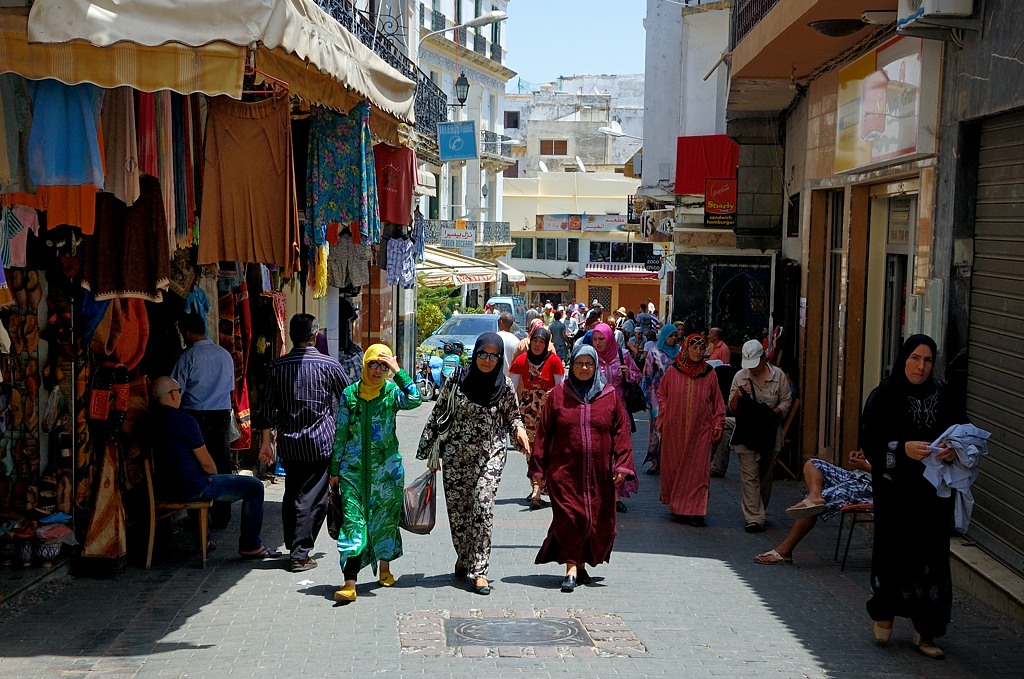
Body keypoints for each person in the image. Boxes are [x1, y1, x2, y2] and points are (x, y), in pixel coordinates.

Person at [859, 334, 963, 659]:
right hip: (895, 495)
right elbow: (871, 441)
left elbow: (963, 434)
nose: (920, 367)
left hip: (933, 495)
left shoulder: (944, 395)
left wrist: (951, 451)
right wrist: (901, 449)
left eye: (928, 360)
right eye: (915, 358)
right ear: (904, 357)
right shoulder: (884, 396)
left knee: (931, 558)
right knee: (893, 552)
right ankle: (885, 613)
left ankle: (926, 631)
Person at [416, 333, 530, 595]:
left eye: (494, 355)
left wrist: (520, 431)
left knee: (482, 505)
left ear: (500, 358)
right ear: (475, 353)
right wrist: (432, 452)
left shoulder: (504, 387)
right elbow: (439, 413)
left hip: (491, 454)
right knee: (459, 513)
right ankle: (464, 555)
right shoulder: (457, 380)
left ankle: (480, 571)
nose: (488, 360)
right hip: (457, 457)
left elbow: (513, 417)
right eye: (483, 353)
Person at [529, 344, 636, 592]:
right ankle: (571, 568)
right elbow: (543, 434)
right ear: (572, 366)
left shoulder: (609, 396)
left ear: (596, 365)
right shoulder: (557, 395)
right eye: (579, 363)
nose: (584, 368)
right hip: (564, 473)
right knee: (569, 518)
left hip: (599, 475)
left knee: (592, 519)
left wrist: (621, 463)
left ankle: (581, 564)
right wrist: (538, 471)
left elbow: (622, 432)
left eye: (589, 363)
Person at [256, 314, 350, 572]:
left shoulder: (277, 367)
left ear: (290, 335)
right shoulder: (329, 366)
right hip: (320, 442)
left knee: (294, 493)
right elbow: (349, 400)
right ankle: (299, 553)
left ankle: (295, 544)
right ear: (315, 335)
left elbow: (265, 410)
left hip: (289, 443)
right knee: (313, 498)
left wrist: (266, 443)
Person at [329, 345, 421, 603]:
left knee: (385, 522)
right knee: (353, 525)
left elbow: (415, 399)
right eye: (374, 364)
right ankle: (350, 583)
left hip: (387, 473)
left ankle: (385, 569)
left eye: (383, 366)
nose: (378, 371)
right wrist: (334, 470)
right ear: (365, 364)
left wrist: (398, 370)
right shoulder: (349, 395)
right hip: (352, 473)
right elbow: (340, 435)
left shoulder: (391, 393)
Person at [150, 376, 278, 560]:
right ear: (171, 395)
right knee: (254, 487)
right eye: (179, 391)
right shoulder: (184, 421)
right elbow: (207, 464)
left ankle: (204, 540)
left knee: (196, 479)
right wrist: (212, 474)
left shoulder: (148, 421)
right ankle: (251, 545)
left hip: (162, 488)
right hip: (191, 488)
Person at [171, 312, 236, 528]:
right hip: (220, 415)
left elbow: (175, 392)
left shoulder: (187, 357)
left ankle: (198, 517)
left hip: (195, 416)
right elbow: (230, 388)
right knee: (221, 463)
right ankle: (222, 516)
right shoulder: (224, 355)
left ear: (188, 333)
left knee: (196, 464)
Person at [753, 451, 872, 565]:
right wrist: (863, 456)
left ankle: (785, 551)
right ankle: (814, 495)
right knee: (813, 464)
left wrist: (865, 466)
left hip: (871, 486)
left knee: (814, 505)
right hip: (858, 476)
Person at [656, 335, 725, 526]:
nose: (697, 352)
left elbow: (718, 402)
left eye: (701, 349)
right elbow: (661, 394)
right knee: (676, 468)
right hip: (675, 430)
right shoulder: (673, 371)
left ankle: (695, 510)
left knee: (698, 470)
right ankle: (679, 507)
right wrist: (665, 412)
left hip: (700, 430)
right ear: (686, 349)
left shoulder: (709, 373)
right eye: (694, 348)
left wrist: (718, 423)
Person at [729, 339, 793, 533]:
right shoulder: (740, 377)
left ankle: (759, 509)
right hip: (746, 432)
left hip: (768, 433)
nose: (753, 369)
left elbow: (786, 401)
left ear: (763, 359)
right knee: (749, 476)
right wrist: (738, 396)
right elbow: (730, 408)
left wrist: (773, 414)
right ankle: (754, 518)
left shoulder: (778, 375)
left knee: (765, 475)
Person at [510, 325, 566, 509]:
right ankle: (535, 487)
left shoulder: (555, 361)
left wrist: (553, 394)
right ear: (530, 341)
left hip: (549, 413)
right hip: (528, 414)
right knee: (532, 451)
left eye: (542, 342)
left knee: (548, 450)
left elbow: (561, 389)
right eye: (535, 340)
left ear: (547, 344)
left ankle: (543, 484)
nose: (537, 345)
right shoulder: (520, 361)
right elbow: (512, 391)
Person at [587, 322, 641, 511]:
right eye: (595, 339)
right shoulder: (590, 357)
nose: (598, 343)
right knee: (599, 453)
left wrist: (630, 374)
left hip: (620, 412)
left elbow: (637, 376)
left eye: (602, 339)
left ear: (609, 338)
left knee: (619, 453)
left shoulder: (623, 355)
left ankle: (616, 496)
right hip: (597, 411)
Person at [642, 325, 680, 474]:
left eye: (675, 335)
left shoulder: (680, 352)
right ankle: (656, 460)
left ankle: (671, 461)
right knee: (658, 429)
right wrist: (646, 396)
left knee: (674, 428)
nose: (674, 338)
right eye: (671, 335)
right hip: (656, 397)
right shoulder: (654, 353)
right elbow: (647, 375)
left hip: (677, 396)